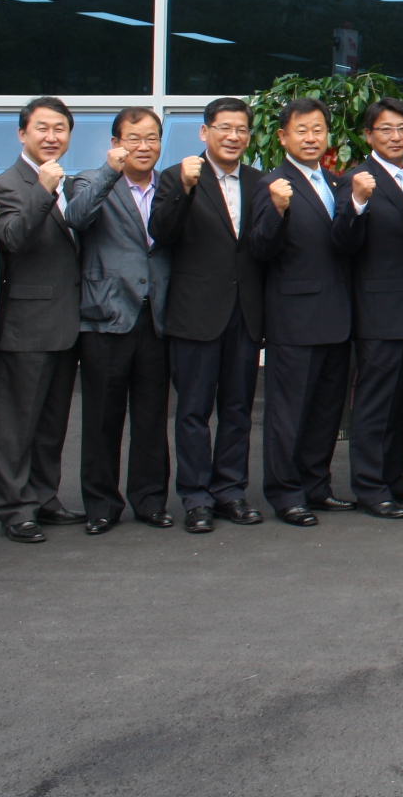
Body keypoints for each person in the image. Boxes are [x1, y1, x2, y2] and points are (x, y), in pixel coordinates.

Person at [148, 98, 265, 533]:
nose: (233, 136)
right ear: (204, 132)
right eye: (223, 128)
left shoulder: (258, 181)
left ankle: (231, 491)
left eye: (241, 129)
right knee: (194, 412)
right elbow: (161, 232)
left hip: (245, 314)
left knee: (238, 410)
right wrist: (184, 186)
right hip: (196, 314)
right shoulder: (176, 176)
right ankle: (196, 498)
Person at [248, 98, 357, 527]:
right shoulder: (272, 185)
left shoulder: (335, 182)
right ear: (282, 136)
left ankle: (316, 486)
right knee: (288, 413)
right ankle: (285, 493)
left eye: (318, 130)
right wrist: (277, 210)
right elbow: (260, 248)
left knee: (326, 412)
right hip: (294, 319)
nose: (311, 138)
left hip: (337, 317)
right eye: (301, 130)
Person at [63, 107, 171, 534]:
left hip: (156, 316)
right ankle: (101, 505)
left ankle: (150, 501)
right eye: (134, 138)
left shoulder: (169, 186)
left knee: (152, 417)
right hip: (106, 315)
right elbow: (76, 217)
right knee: (102, 418)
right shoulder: (90, 180)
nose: (144, 146)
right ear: (115, 143)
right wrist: (111, 172)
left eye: (152, 138)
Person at [0, 97, 84, 543]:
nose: (51, 136)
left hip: (65, 323)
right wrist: (43, 191)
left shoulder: (70, 183)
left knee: (51, 423)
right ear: (22, 133)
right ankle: (14, 508)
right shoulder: (8, 185)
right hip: (26, 325)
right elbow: (13, 238)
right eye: (42, 128)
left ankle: (44, 497)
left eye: (60, 128)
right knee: (16, 425)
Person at [333, 97, 403, 518]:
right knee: (375, 404)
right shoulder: (356, 180)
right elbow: (343, 242)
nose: (396, 137)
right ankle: (370, 487)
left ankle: (395, 477)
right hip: (380, 314)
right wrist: (357, 203)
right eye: (386, 129)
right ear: (368, 135)